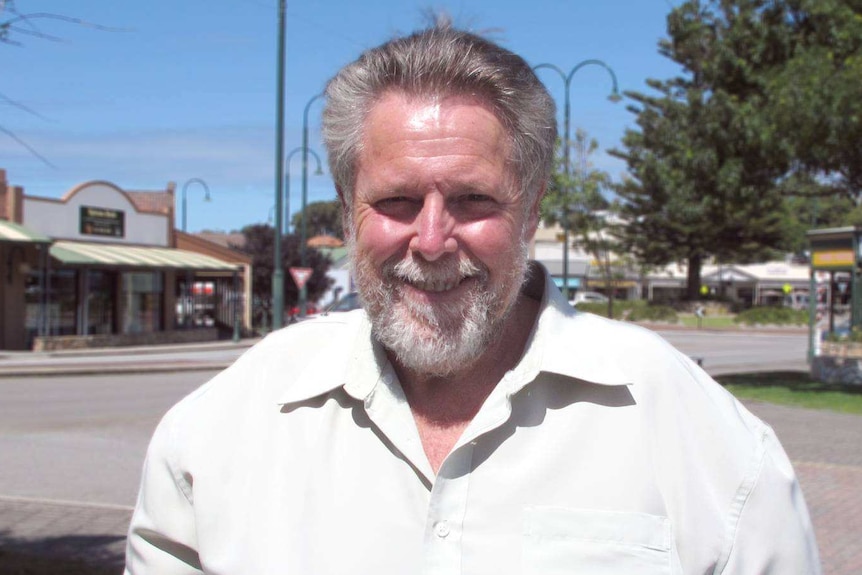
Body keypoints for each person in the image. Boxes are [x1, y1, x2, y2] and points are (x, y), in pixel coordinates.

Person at [125, 23, 821, 574]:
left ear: (531, 211)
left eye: (472, 200)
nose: (431, 240)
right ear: (347, 212)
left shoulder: (698, 435)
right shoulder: (221, 431)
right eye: (397, 201)